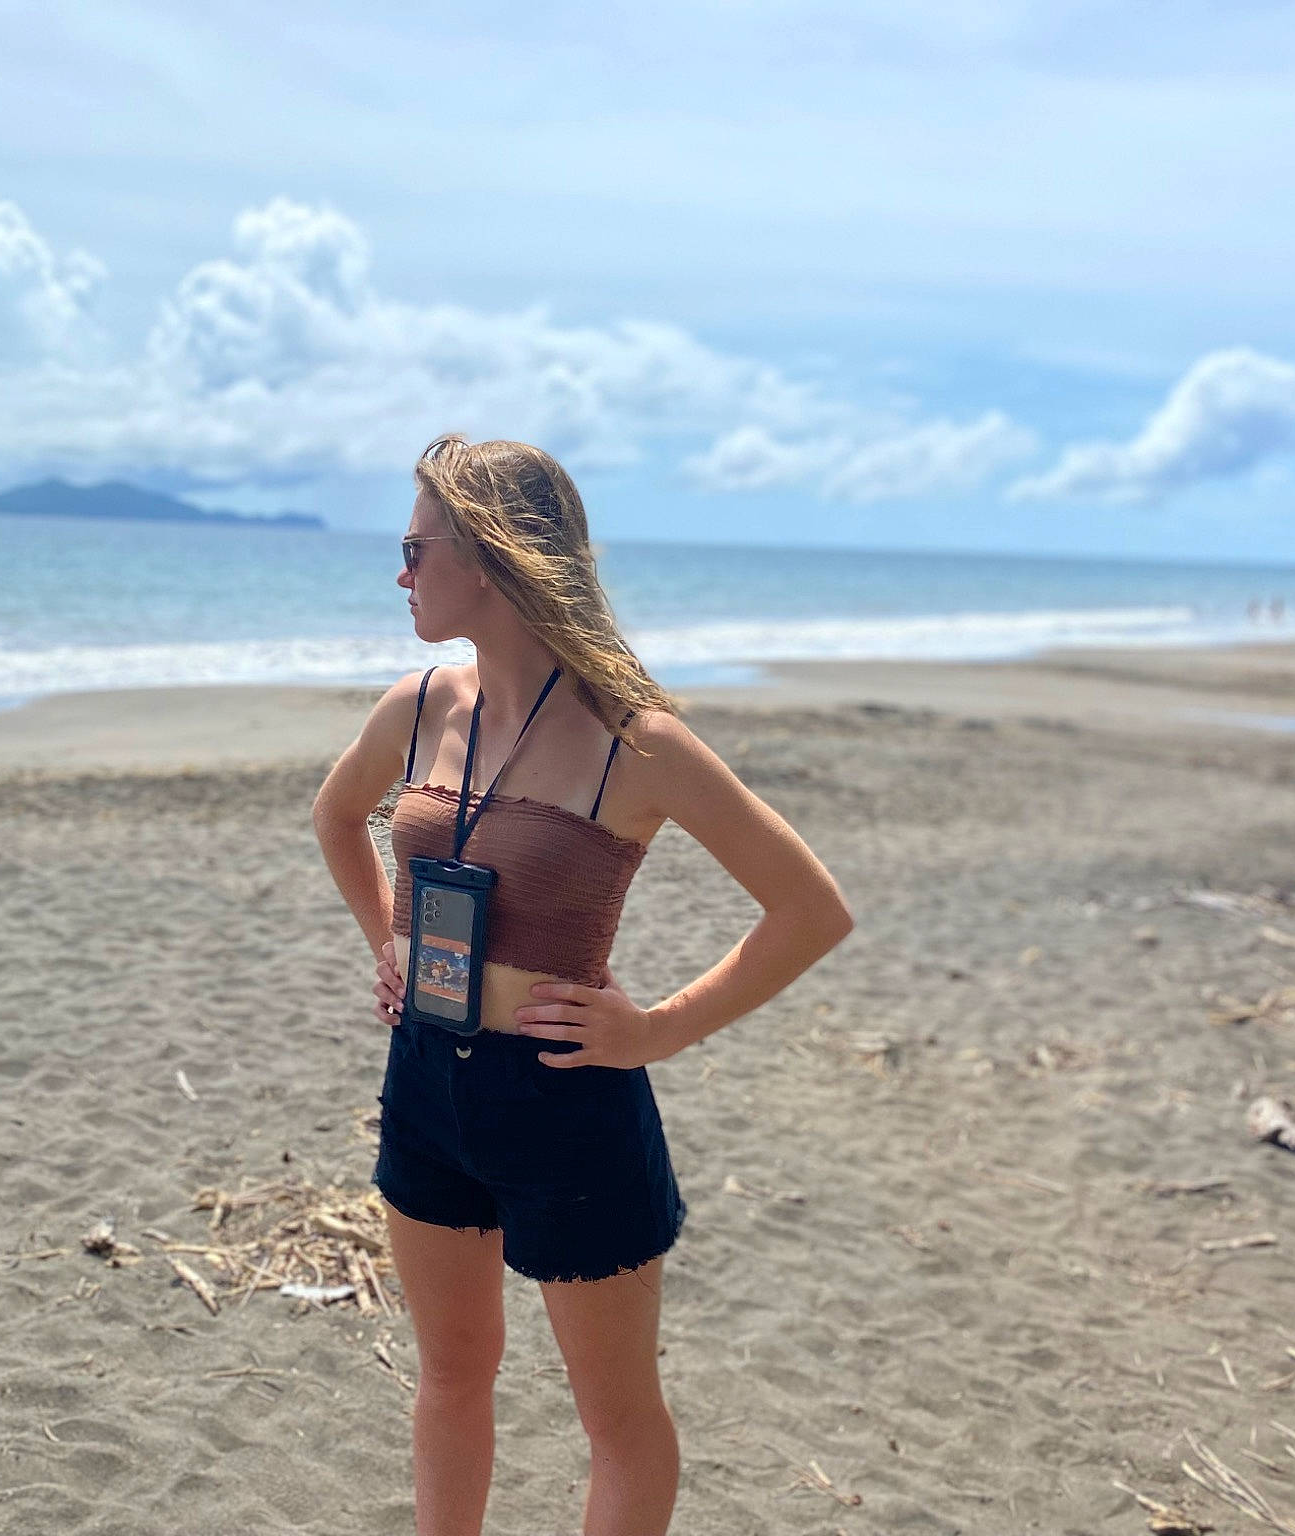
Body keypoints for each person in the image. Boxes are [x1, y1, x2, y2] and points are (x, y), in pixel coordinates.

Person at [311, 434, 855, 1536]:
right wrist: (390, 941)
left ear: (492, 557)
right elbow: (334, 816)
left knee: (614, 1418)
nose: (400, 572)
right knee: (451, 1378)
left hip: (566, 1096)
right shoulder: (417, 706)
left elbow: (809, 912)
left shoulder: (634, 742)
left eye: (416, 547)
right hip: (424, 1080)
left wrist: (653, 1029)